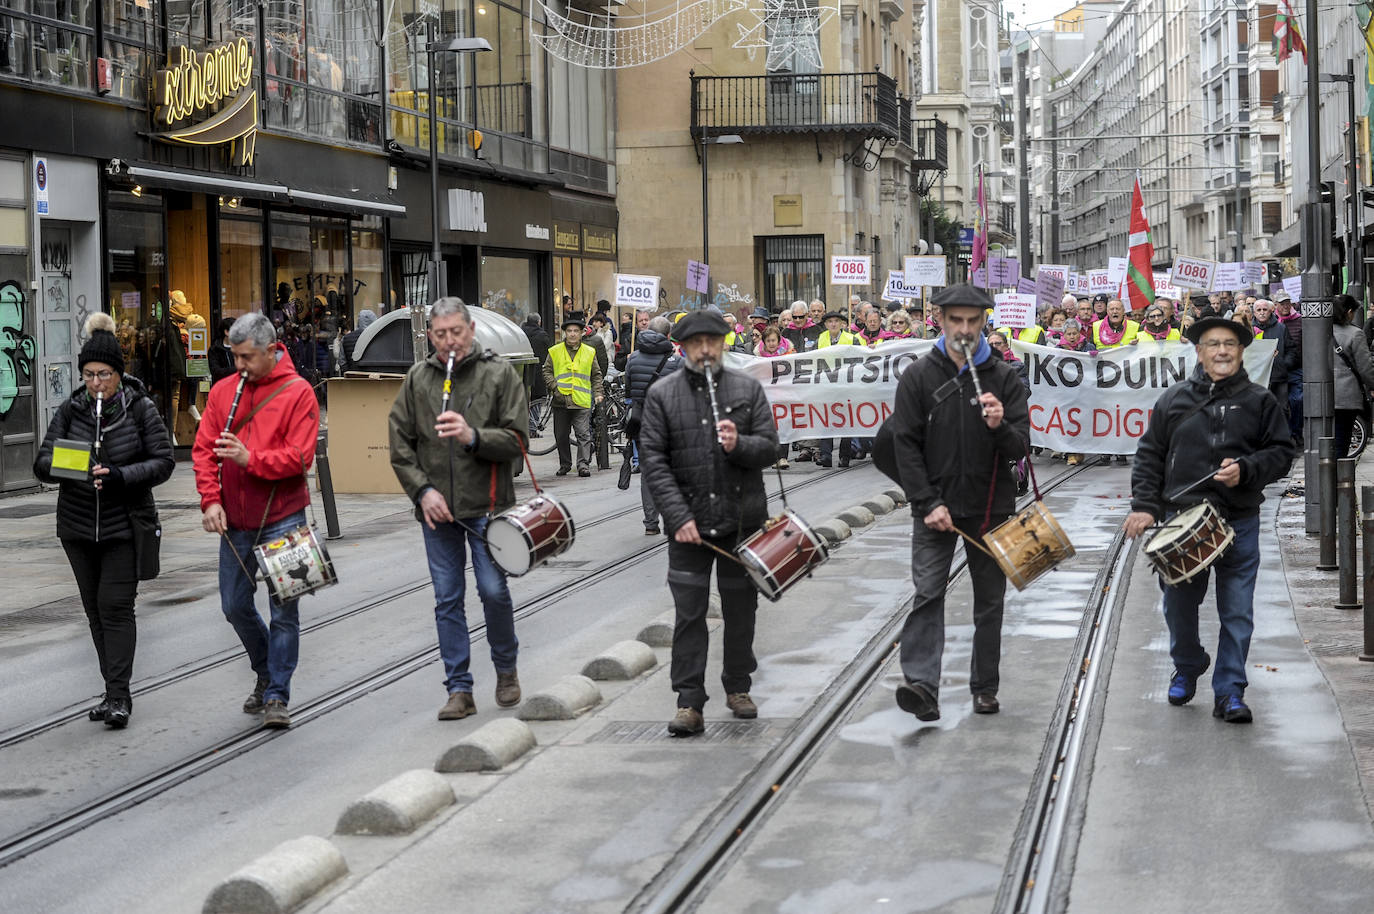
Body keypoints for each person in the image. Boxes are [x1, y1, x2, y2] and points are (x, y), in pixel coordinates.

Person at [1123, 314, 1295, 723]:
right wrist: (1145, 505)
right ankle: (1187, 663)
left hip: (1239, 522)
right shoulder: (1173, 400)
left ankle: (1230, 691)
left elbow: (1281, 453)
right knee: (1178, 609)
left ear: (1241, 351)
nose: (1222, 351)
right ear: (1199, 353)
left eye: (1230, 344)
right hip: (1183, 522)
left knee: (1237, 613)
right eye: (1213, 344)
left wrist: (1247, 470)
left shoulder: (1260, 401)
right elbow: (1149, 456)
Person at [881, 284, 1031, 720]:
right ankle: (922, 687)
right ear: (941, 320)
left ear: (984, 322)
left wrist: (1000, 426)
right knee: (928, 593)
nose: (964, 329)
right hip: (934, 509)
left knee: (990, 601)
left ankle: (985, 687)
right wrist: (927, 502)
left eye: (973, 321)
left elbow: (1021, 447)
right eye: (956, 320)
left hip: (991, 509)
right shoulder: (919, 376)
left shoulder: (1004, 377)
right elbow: (904, 446)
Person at [638, 310, 780, 736]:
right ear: (683, 348)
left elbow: (770, 448)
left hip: (741, 523)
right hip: (689, 529)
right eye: (696, 343)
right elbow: (654, 461)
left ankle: (738, 686)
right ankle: (688, 701)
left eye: (712, 342)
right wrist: (677, 517)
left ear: (723, 344)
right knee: (689, 613)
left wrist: (740, 444)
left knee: (741, 610)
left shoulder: (747, 389)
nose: (704, 350)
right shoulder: (663, 394)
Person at [33, 313, 174, 729]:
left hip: (124, 525)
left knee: (115, 607)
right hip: (78, 527)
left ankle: (119, 697)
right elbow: (42, 462)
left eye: (105, 374)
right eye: (90, 374)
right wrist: (75, 467)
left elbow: (163, 461)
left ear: (118, 373)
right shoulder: (72, 409)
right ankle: (111, 690)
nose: (96, 383)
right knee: (95, 611)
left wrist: (119, 476)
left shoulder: (139, 408)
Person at [389, 297, 527, 719]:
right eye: (440, 334)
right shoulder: (418, 378)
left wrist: (472, 437)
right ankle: (459, 689)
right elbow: (400, 445)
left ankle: (505, 668)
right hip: (438, 510)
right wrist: (422, 492)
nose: (449, 342)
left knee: (491, 590)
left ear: (471, 330)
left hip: (486, 505)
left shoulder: (499, 373)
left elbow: (518, 444)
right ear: (430, 335)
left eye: (456, 332)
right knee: (447, 598)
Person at [193, 312, 321, 730]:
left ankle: (277, 693)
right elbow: (203, 451)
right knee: (233, 605)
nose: (239, 366)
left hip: (285, 515)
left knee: (285, 609)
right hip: (236, 518)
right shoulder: (223, 390)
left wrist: (252, 460)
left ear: (270, 350)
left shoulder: (298, 392)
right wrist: (211, 501)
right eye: (234, 356)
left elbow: (301, 457)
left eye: (247, 357)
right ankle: (266, 669)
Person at [625, 315, 683, 534]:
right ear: (668, 336)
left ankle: (651, 523)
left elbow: (629, 389)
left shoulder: (633, 358)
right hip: (669, 423)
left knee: (649, 472)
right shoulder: (676, 361)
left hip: (642, 422)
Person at [543, 315, 604, 476]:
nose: (572, 334)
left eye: (576, 331)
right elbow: (547, 371)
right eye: (569, 331)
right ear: (565, 333)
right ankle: (565, 464)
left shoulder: (589, 352)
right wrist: (555, 388)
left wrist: (598, 393)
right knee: (561, 436)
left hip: (581, 400)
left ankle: (583, 465)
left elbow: (596, 375)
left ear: (582, 333)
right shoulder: (555, 351)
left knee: (583, 434)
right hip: (560, 400)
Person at [815, 311, 860, 467]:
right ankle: (826, 455)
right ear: (826, 324)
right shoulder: (820, 339)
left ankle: (844, 455)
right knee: (826, 420)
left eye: (836, 321)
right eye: (830, 322)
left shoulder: (852, 339)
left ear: (842, 324)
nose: (833, 324)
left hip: (846, 386)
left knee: (846, 421)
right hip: (827, 386)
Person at [1332, 294, 1374, 457]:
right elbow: (1365, 367)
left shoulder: (1319, 331)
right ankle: (1338, 479)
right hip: (1345, 396)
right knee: (1342, 441)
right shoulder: (1355, 334)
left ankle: (1327, 477)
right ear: (1349, 312)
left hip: (1320, 397)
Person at [1251, 298, 1294, 418]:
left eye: (1265, 309)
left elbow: (1291, 349)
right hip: (1257, 378)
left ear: (1271, 311)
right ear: (1254, 313)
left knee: (1282, 409)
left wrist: (1284, 364)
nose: (1262, 312)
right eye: (1258, 310)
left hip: (1278, 377)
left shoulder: (1281, 328)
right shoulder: (1250, 329)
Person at [209, 318, 237, 383]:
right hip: (222, 387)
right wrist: (237, 369)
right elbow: (216, 372)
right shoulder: (215, 349)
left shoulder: (242, 347)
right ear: (226, 332)